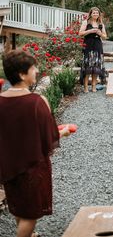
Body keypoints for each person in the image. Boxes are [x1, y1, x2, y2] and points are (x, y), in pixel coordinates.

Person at [0, 50, 70, 237]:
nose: (37, 71)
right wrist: (63, 132)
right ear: (22, 74)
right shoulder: (37, 102)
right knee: (30, 215)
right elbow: (49, 137)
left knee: (18, 206)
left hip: (8, 166)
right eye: (33, 68)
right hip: (32, 168)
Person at [79, 7, 107, 92]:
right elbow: (80, 33)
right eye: (94, 13)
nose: (95, 14)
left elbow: (105, 36)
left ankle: (94, 86)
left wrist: (100, 33)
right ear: (90, 14)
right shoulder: (86, 22)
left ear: (99, 15)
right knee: (88, 67)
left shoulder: (101, 24)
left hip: (97, 46)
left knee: (96, 68)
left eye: (97, 13)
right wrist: (90, 31)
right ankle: (86, 87)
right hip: (88, 46)